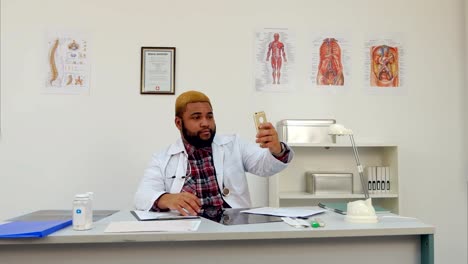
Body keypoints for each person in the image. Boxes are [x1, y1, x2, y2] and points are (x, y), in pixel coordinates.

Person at [134, 90, 294, 216]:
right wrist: (168, 199)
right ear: (178, 123)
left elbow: (264, 166)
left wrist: (276, 149)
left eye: (209, 116)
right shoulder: (162, 158)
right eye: (196, 117)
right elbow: (142, 196)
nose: (205, 123)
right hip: (187, 231)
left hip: (231, 227)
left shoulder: (234, 144)